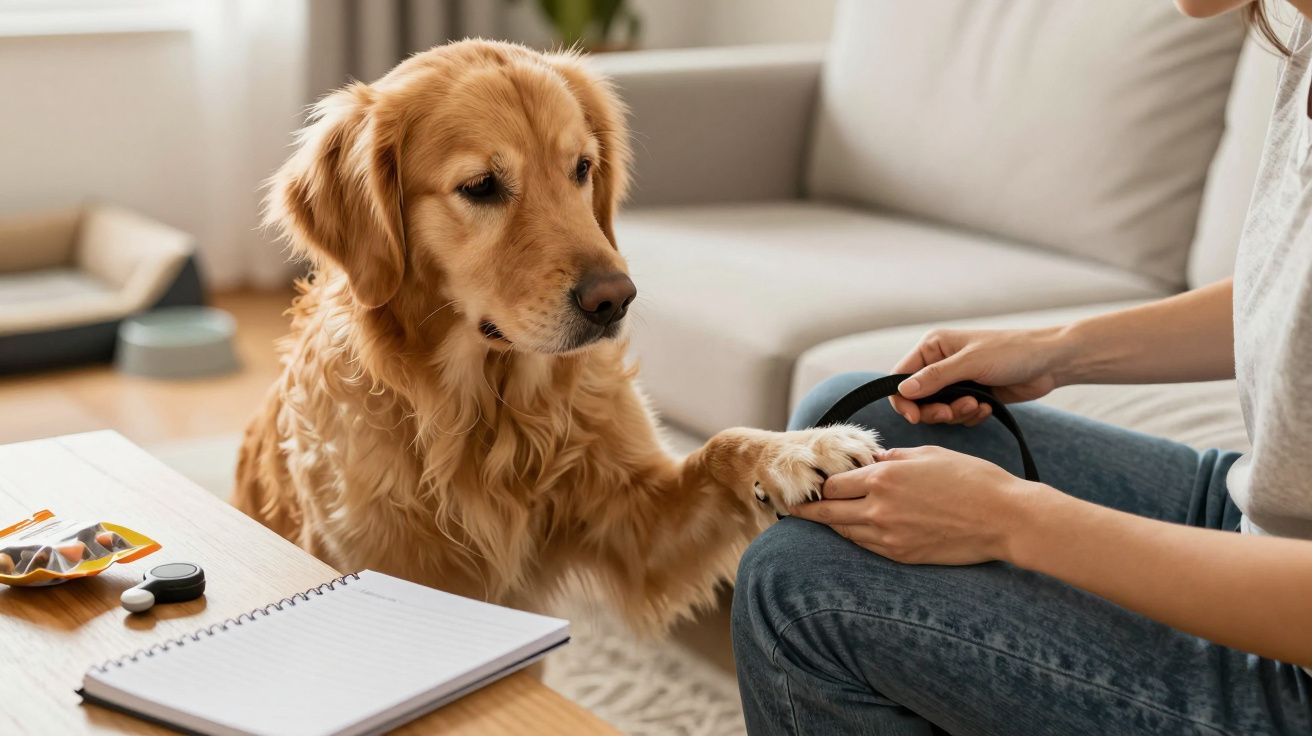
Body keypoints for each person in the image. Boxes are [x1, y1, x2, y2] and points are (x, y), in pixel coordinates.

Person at [731, 2, 1312, 734]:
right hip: (1268, 514)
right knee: (848, 414)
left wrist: (1011, 520)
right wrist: (1057, 348)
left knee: (798, 590)